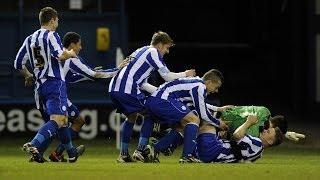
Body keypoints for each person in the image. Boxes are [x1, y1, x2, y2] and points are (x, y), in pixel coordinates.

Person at [35, 32, 128, 162]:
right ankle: (51, 151)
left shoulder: (59, 53)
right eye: (79, 44)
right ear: (72, 44)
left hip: (43, 91)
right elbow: (94, 74)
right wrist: (116, 70)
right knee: (69, 122)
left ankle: (49, 153)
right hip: (57, 94)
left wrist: (88, 74)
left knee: (62, 123)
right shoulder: (72, 59)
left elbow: (70, 78)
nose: (81, 47)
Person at [108, 31, 196, 162]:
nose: (167, 52)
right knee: (151, 113)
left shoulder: (141, 50)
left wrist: (160, 92)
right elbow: (166, 76)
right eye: (167, 47)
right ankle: (141, 150)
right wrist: (185, 74)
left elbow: (142, 83)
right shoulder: (153, 52)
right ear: (160, 45)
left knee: (131, 117)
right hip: (127, 89)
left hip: (114, 88)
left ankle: (124, 154)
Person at [14, 7, 83, 163]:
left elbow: (18, 63)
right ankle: (34, 144)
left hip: (39, 88)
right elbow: (60, 55)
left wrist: (28, 75)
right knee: (58, 120)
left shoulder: (29, 39)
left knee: (63, 121)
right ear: (52, 20)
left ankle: (72, 154)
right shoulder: (52, 35)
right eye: (57, 20)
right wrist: (71, 53)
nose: (58, 22)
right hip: (54, 83)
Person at [144, 69, 228, 163]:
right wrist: (218, 123)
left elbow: (200, 104)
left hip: (158, 100)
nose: (216, 91)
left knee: (185, 125)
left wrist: (218, 109)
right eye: (216, 87)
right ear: (209, 82)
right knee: (194, 119)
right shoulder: (199, 86)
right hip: (162, 101)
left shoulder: (196, 83)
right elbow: (203, 113)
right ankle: (186, 156)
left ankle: (155, 149)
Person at [196, 115, 283, 163]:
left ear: (270, 141)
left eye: (268, 132)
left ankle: (187, 154)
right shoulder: (259, 152)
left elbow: (237, 135)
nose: (265, 130)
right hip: (214, 154)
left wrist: (248, 122)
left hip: (212, 151)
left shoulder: (257, 143)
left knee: (207, 123)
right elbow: (236, 148)